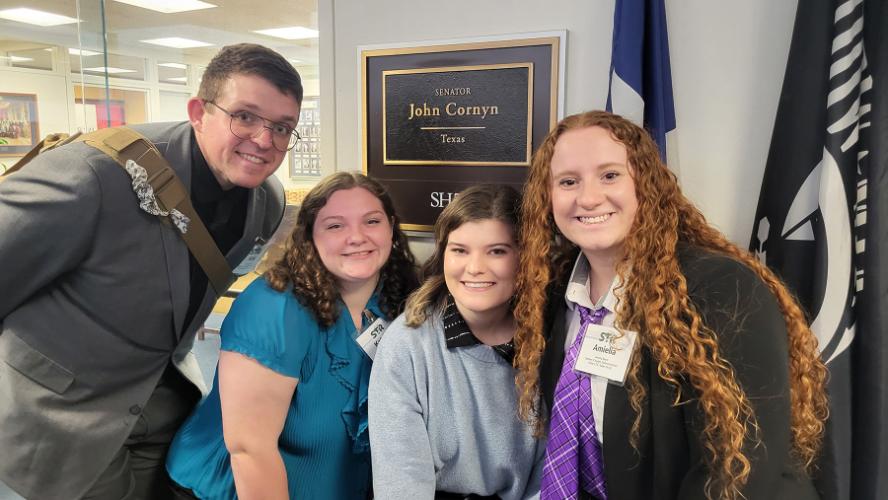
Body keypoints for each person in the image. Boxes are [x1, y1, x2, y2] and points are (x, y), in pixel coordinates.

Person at [0, 43, 302, 500]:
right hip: (61, 419)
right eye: (245, 116)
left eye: (282, 127)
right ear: (200, 111)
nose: (264, 140)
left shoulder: (266, 202)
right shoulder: (93, 174)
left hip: (162, 409)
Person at [511, 111, 829, 500]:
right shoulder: (556, 295)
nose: (588, 197)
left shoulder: (720, 288)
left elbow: (740, 467)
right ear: (547, 195)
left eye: (610, 175)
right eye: (568, 181)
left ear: (646, 184)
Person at [166, 172, 419, 500]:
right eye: (335, 225)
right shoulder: (274, 308)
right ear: (310, 236)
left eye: (371, 221)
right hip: (231, 488)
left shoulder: (397, 295)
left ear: (391, 228)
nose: (357, 237)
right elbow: (250, 450)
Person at [369, 184, 544, 500]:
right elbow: (401, 482)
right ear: (443, 254)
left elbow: (553, 473)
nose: (474, 268)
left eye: (497, 251)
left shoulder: (551, 338)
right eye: (460, 250)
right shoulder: (408, 345)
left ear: (525, 258)